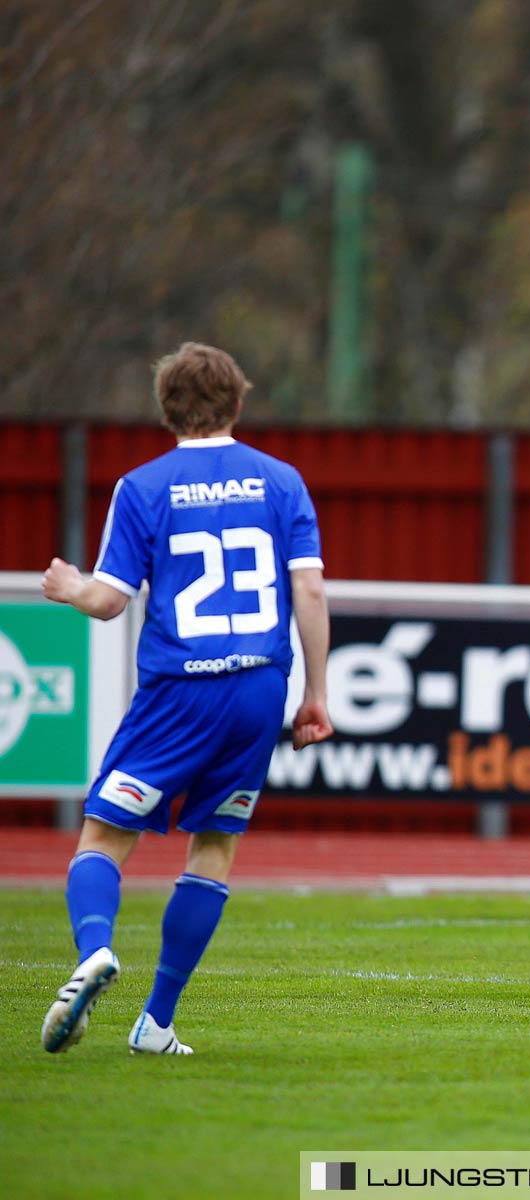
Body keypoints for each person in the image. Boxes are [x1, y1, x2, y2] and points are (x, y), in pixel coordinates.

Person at [39, 342, 333, 1056]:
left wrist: (70, 586)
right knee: (215, 846)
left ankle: (94, 952)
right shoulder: (282, 481)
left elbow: (109, 603)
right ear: (238, 402)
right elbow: (311, 591)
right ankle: (157, 1021)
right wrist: (315, 694)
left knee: (106, 836)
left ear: (165, 409)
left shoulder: (143, 487)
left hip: (180, 690)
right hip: (259, 689)